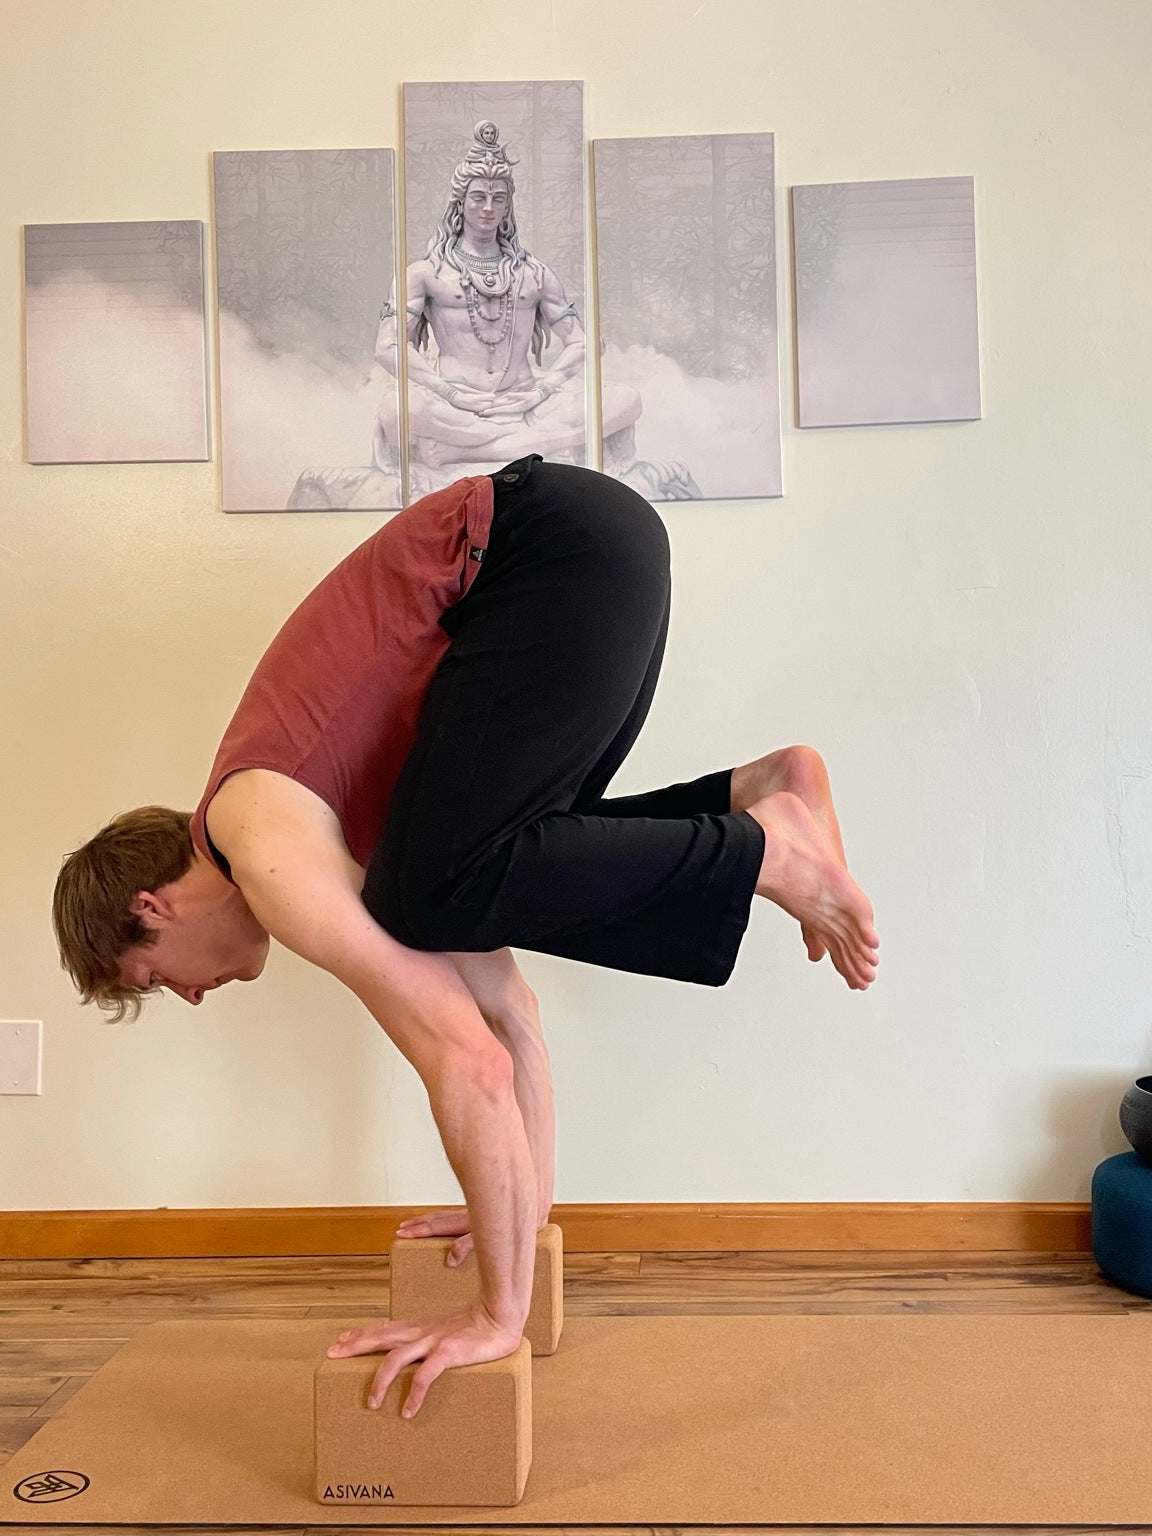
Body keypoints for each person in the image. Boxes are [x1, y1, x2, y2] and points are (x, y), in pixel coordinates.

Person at [52, 455, 878, 1417]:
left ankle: (765, 847)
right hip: (594, 550)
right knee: (464, 884)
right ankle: (757, 793)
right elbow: (511, 1020)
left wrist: (496, 1313)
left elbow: (468, 1065)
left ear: (153, 906)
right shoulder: (346, 842)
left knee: (443, 889)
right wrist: (522, 1217)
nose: (187, 997)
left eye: (152, 979)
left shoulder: (263, 844)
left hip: (545, 549)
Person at [374, 121, 638, 494]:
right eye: (478, 197)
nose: (487, 208)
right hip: (457, 402)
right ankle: (534, 448)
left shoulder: (534, 273)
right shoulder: (424, 273)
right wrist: (448, 392)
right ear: (460, 202)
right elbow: (387, 346)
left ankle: (474, 449)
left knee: (627, 400)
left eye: (498, 199)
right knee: (397, 410)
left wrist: (543, 391)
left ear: (508, 205)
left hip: (525, 401)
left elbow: (584, 343)